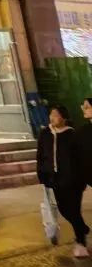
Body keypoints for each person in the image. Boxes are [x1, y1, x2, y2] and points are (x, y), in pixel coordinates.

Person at [37, 105, 89, 258]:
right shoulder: (45, 133)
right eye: (51, 115)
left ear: (64, 117)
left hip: (73, 180)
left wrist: (83, 178)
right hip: (55, 179)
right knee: (63, 209)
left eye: (56, 115)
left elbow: (81, 159)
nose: (52, 118)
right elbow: (40, 155)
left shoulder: (72, 135)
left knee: (74, 210)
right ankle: (82, 228)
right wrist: (42, 173)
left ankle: (81, 241)